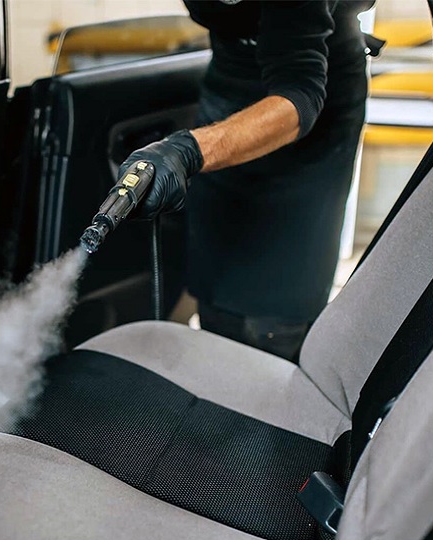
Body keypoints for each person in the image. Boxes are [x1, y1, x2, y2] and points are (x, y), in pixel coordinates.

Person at [122, 0, 372, 361]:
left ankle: (275, 353)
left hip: (303, 111)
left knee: (271, 297)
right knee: (216, 269)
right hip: (229, 83)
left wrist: (190, 150)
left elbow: (300, 96)